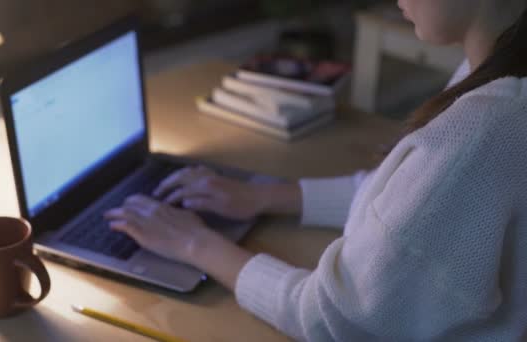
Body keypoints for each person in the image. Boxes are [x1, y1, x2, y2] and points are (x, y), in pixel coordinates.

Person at [104, 0, 527, 340]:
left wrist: (196, 245)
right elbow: (410, 202)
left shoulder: (480, 131)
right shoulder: (498, 68)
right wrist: (264, 196)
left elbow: (331, 318)